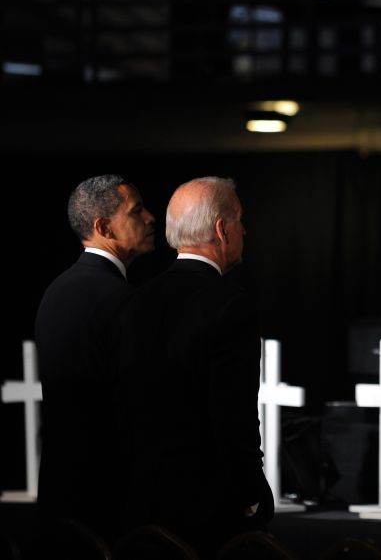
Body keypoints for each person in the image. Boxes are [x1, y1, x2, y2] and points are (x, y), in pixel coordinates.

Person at [118, 176, 272, 557]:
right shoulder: (230, 304)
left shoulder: (135, 301)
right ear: (222, 230)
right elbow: (232, 411)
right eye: (239, 219)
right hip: (207, 505)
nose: (244, 229)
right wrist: (253, 492)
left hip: (139, 498)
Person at [34, 175, 156, 544]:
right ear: (104, 227)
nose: (151, 218)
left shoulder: (54, 291)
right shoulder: (124, 301)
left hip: (60, 491)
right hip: (110, 498)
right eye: (136, 211)